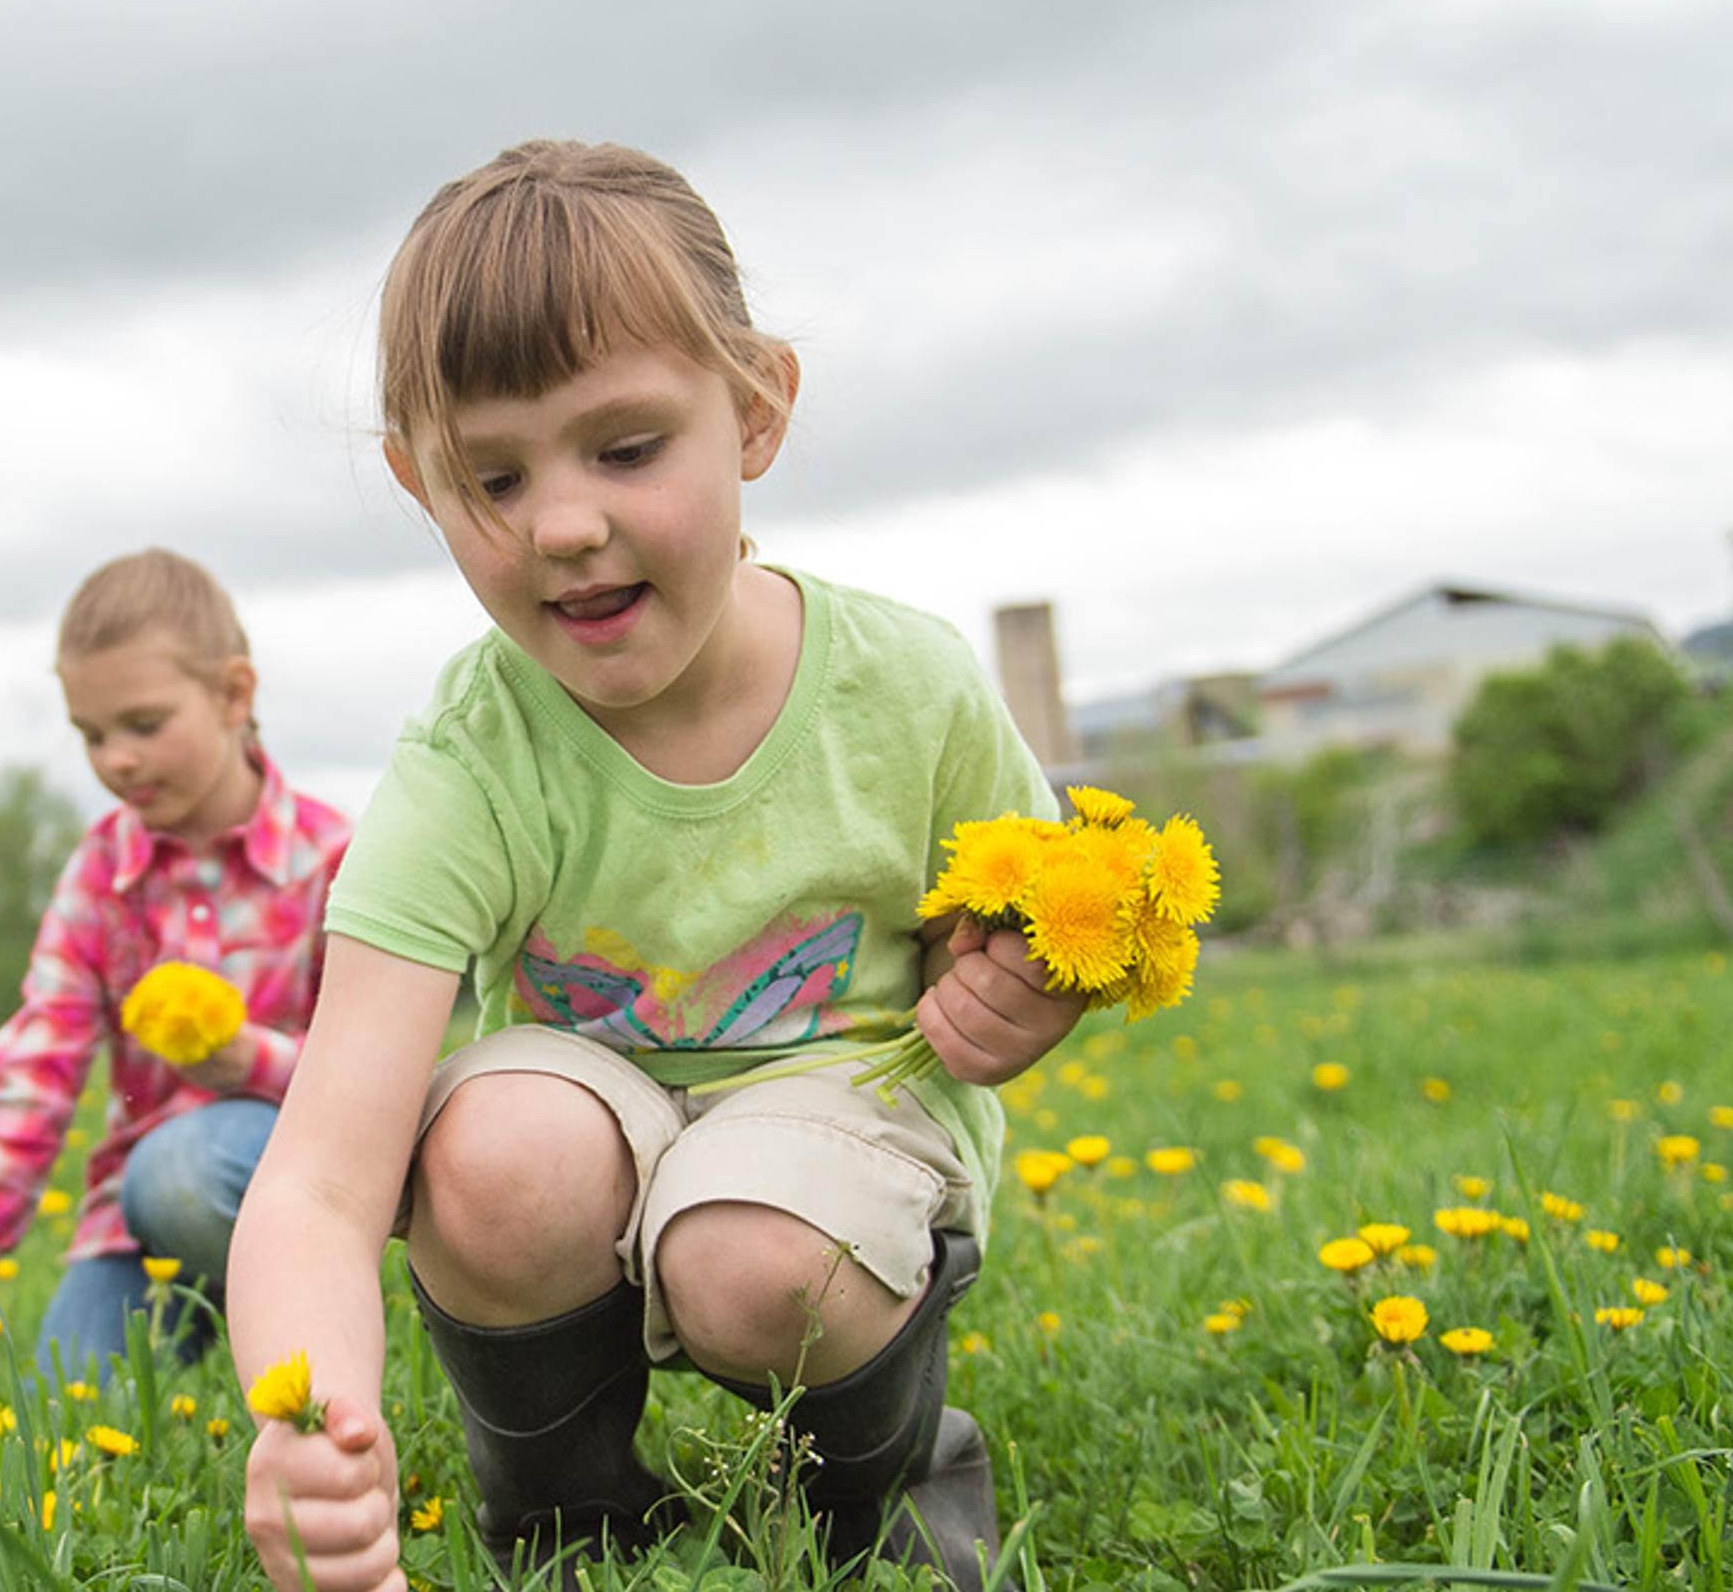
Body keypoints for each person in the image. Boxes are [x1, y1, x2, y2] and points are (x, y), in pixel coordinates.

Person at [226, 142, 1088, 1592]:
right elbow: (319, 1179)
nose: (564, 524)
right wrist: (306, 1417)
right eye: (493, 476)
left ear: (755, 411)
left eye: (625, 449)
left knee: (750, 1253)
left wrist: (1033, 992)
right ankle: (568, 1519)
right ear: (416, 484)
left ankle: (881, 1494)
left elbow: (1062, 924)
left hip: (833, 1144)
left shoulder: (911, 692)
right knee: (491, 1156)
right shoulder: (469, 760)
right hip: (586, 1130)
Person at [0, 548, 356, 1419]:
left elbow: (371, 1081)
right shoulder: (102, 874)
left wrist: (250, 1058)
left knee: (178, 1168)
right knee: (64, 1417)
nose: (118, 760)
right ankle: (206, 1327)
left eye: (143, 722)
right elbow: (32, 1075)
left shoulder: (335, 861)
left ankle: (316, 1316)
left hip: (298, 1191)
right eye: (92, 734)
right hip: (132, 1226)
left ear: (235, 694)